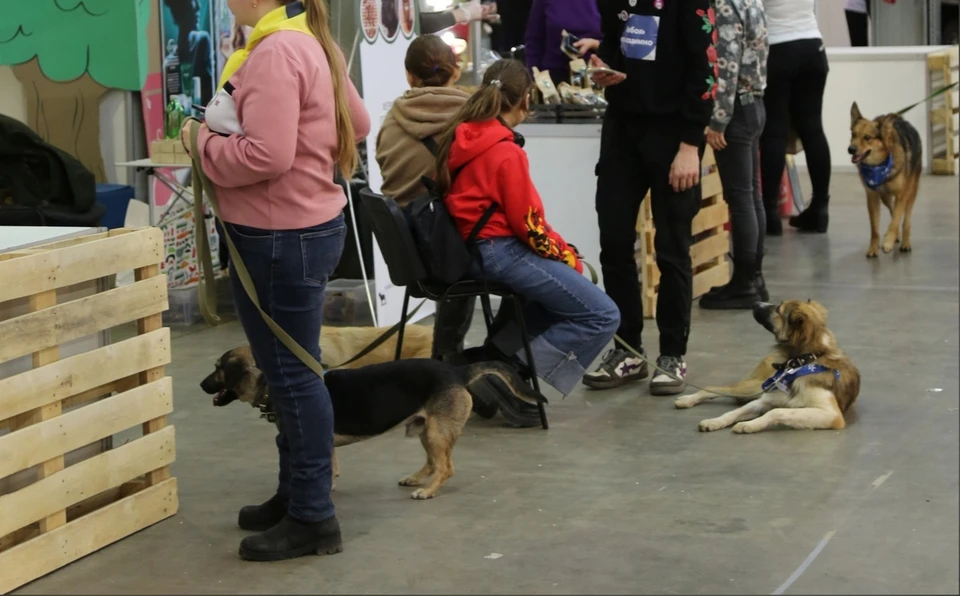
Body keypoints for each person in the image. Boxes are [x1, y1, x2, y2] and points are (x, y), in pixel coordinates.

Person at [182, 0, 370, 562]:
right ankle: (298, 495)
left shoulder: (275, 50)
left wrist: (201, 142)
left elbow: (266, 153)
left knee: (292, 378)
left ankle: (313, 515)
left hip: (277, 234)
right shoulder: (311, 39)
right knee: (293, 371)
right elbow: (356, 124)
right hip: (304, 227)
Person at [434, 59, 620, 422]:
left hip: (477, 249)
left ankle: (496, 363)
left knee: (560, 300)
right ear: (525, 99)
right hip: (501, 251)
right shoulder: (505, 151)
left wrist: (562, 253)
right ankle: (505, 378)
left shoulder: (462, 136)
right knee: (602, 314)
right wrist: (570, 259)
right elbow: (530, 226)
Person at [581, 0, 714, 395]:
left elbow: (705, 72)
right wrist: (601, 67)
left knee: (672, 248)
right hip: (623, 130)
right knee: (614, 240)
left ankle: (672, 354)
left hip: (674, 135)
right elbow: (612, 41)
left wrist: (690, 145)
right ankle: (627, 350)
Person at [375, 35, 474, 360]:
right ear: (454, 72)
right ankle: (492, 363)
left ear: (409, 76)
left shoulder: (390, 120)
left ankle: (451, 359)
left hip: (407, 251)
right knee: (534, 277)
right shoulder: (472, 120)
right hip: (449, 253)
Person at [699, 0, 770, 310]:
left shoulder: (725, 5)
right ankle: (754, 277)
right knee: (752, 195)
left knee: (740, 197)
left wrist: (718, 119)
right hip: (754, 102)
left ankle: (744, 282)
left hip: (735, 110)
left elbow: (726, 63)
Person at [759, 0, 831, 235]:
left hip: (777, 48)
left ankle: (770, 213)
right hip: (813, 46)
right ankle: (820, 208)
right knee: (813, 129)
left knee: (774, 131)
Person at [524, 0, 602, 86]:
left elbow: (615, 43)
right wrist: (534, 78)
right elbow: (534, 41)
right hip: (552, 80)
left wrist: (595, 44)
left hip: (594, 78)